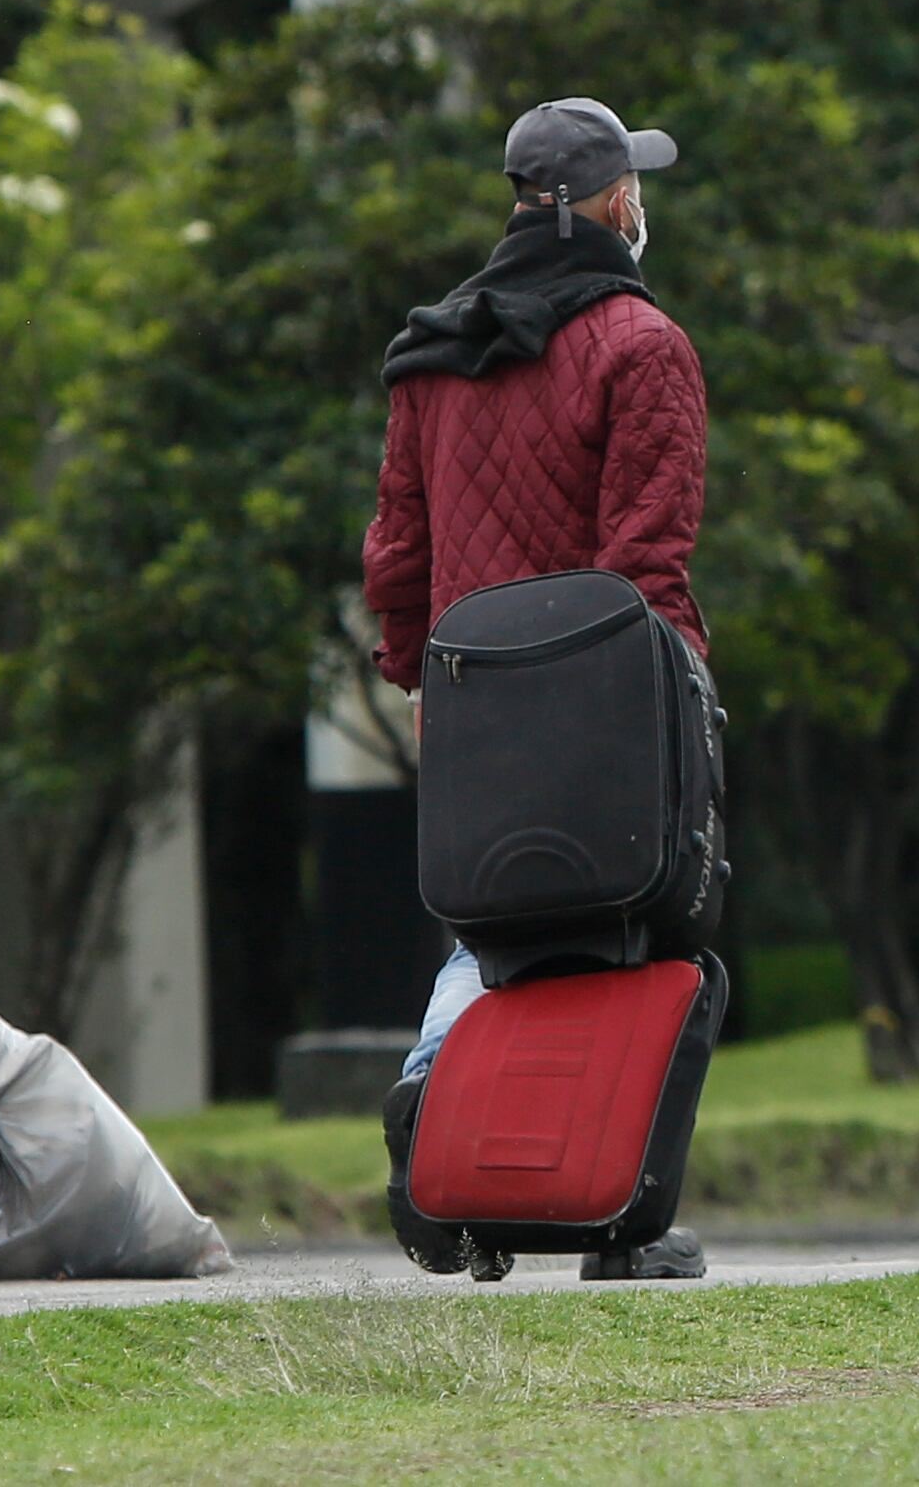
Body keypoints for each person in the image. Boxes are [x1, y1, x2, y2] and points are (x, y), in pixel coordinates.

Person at [357, 96, 710, 1283]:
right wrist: (683, 705)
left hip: (467, 698)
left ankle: (436, 1105)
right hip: (605, 699)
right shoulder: (641, 345)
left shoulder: (433, 350)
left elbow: (397, 554)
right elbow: (647, 558)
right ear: (613, 203)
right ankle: (620, 1226)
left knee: (493, 931)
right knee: (642, 941)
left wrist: (420, 680)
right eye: (636, 186)